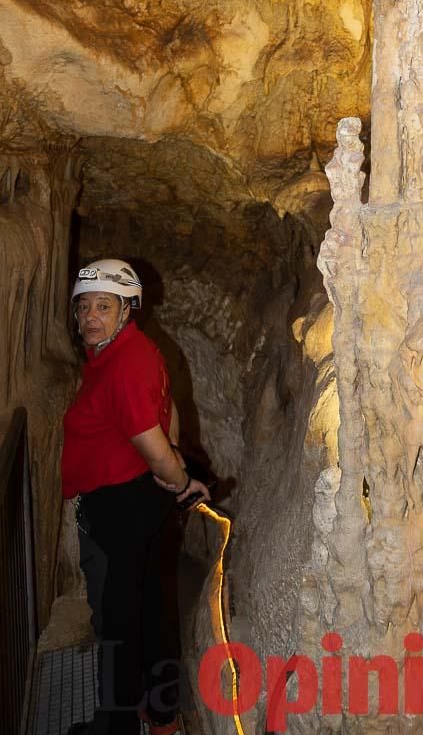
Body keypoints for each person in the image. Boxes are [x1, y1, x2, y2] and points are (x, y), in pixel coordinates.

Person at [61, 259, 210, 735]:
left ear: (127, 310)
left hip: (121, 508)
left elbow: (150, 435)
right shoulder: (135, 352)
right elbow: (168, 417)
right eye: (83, 307)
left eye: (103, 306)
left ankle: (116, 725)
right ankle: (162, 712)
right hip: (140, 501)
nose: (90, 317)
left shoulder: (123, 364)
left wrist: (178, 478)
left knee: (117, 619)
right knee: (150, 608)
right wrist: (176, 472)